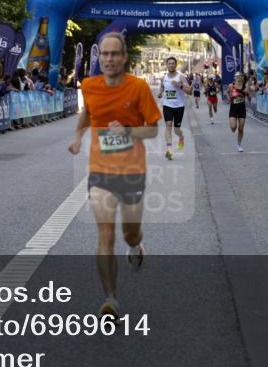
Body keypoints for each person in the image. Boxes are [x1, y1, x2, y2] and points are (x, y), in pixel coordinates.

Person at [68, 32, 160, 318]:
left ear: (124, 58)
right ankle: (110, 299)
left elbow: (154, 128)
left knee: (129, 232)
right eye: (104, 54)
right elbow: (88, 113)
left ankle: (135, 245)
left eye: (114, 54)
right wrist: (78, 136)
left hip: (132, 170)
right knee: (105, 233)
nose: (108, 59)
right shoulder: (90, 86)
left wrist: (129, 131)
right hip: (100, 170)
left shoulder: (138, 88)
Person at [156, 57, 190, 160]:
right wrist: (160, 92)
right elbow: (162, 86)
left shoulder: (181, 77)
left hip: (179, 106)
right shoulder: (164, 77)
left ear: (176, 65)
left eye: (173, 63)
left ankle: (181, 137)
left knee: (176, 130)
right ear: (167, 65)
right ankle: (169, 149)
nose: (171, 65)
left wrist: (179, 85)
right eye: (169, 63)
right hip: (167, 105)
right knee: (168, 125)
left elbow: (189, 91)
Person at [227, 73, 250, 152]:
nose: (237, 78)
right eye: (236, 77)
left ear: (242, 78)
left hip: (242, 109)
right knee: (233, 128)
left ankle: (239, 144)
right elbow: (227, 93)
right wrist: (228, 98)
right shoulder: (231, 86)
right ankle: (232, 126)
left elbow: (249, 98)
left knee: (240, 129)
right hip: (233, 108)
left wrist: (247, 94)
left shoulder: (245, 87)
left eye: (239, 76)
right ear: (234, 78)